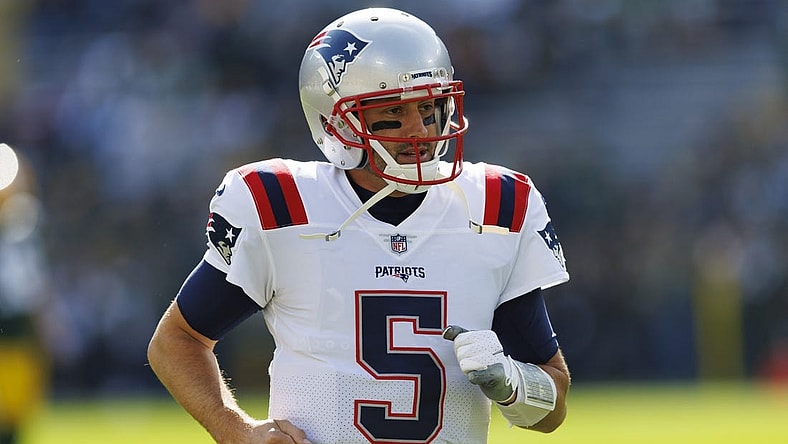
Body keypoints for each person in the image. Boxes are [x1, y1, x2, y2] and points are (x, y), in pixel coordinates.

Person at [147, 7, 571, 443]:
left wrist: (515, 386)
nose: (419, 130)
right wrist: (235, 430)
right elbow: (177, 341)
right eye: (393, 112)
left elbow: (552, 406)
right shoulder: (280, 204)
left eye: (429, 106)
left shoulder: (498, 205)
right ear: (337, 122)